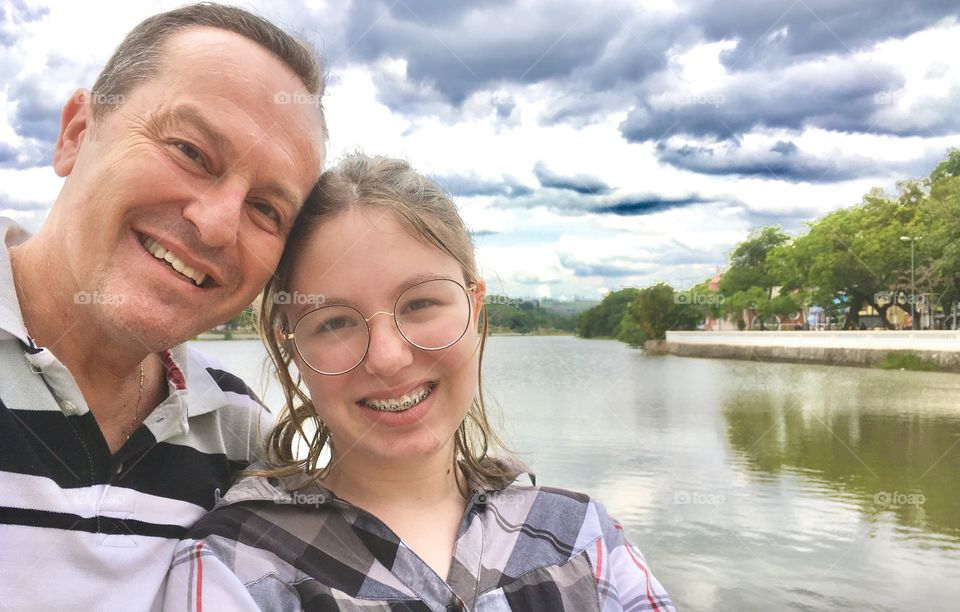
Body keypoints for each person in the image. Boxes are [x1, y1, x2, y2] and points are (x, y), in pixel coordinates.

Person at [166, 155, 675, 611]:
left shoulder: (582, 539)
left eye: (420, 304)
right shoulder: (242, 566)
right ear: (292, 348)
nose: (388, 358)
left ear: (475, 310)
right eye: (336, 322)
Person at [0, 4, 326, 609]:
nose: (217, 224)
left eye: (266, 209)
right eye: (191, 151)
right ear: (76, 134)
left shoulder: (239, 438)